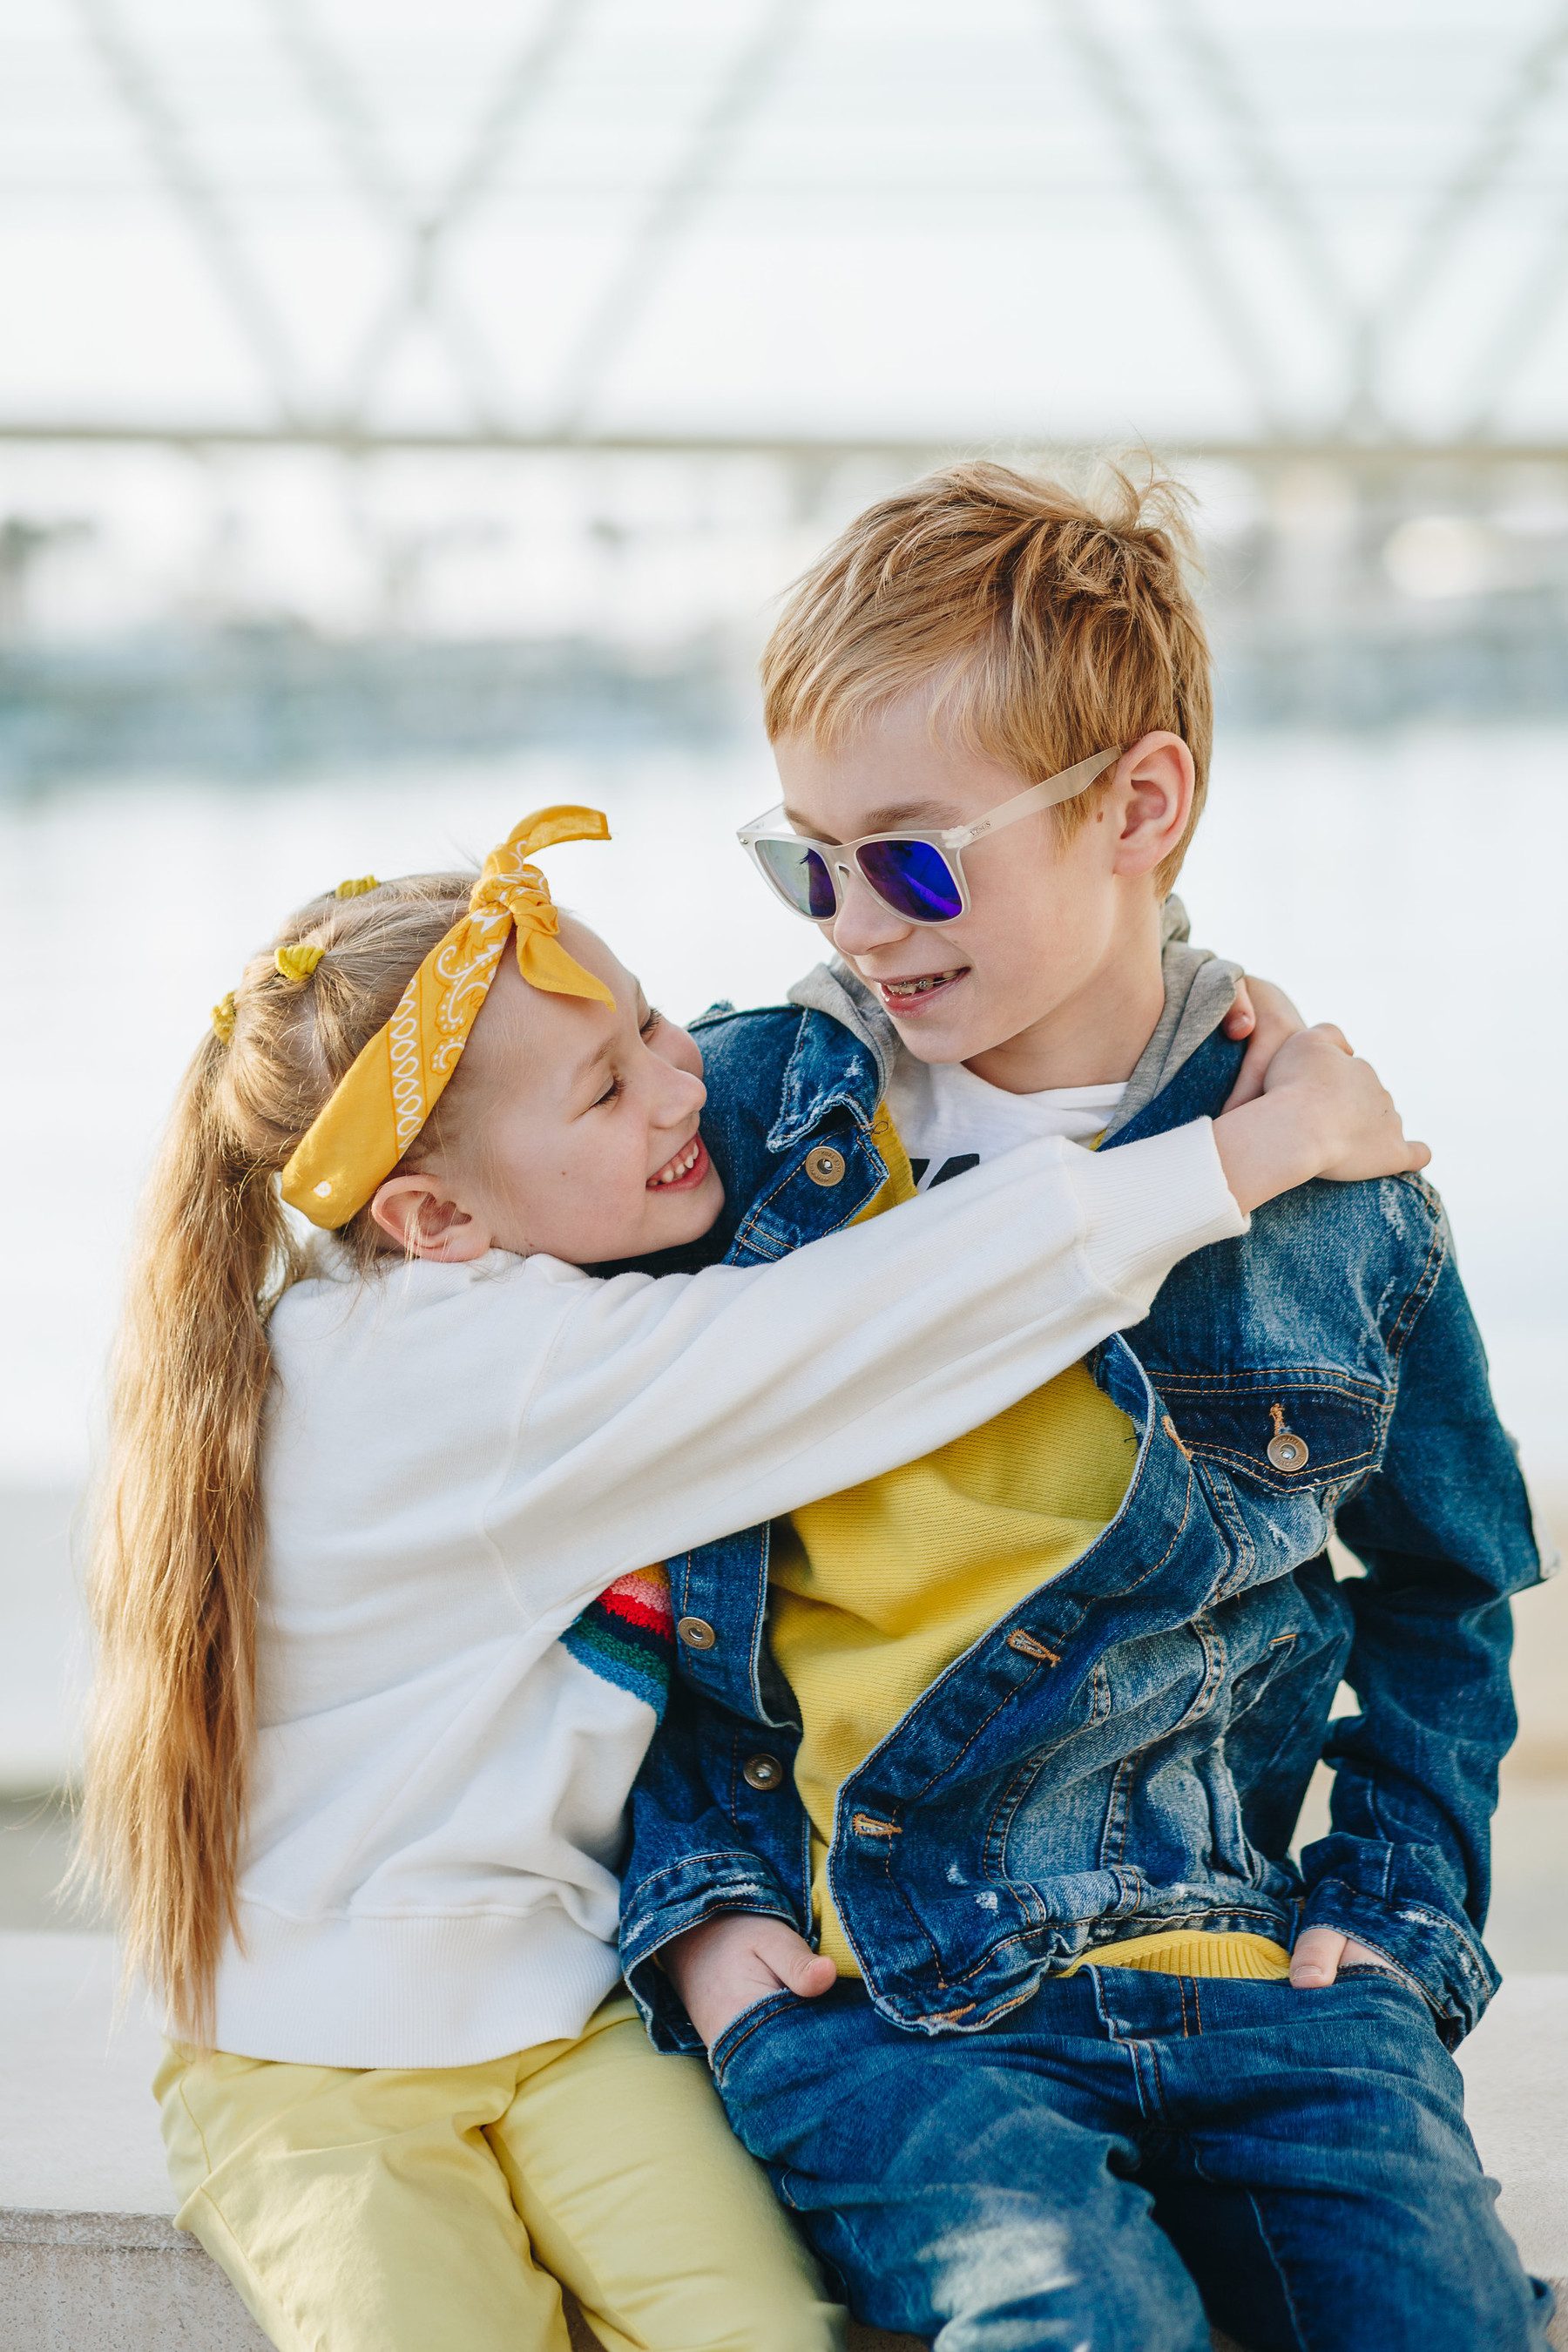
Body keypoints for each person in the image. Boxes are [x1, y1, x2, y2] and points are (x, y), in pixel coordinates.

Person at [78, 807, 1405, 2352]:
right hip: (308, 2063)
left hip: (563, 2016)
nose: (681, 1077)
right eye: (605, 1082)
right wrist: (1256, 1152)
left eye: (648, 1020)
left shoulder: (440, 1306)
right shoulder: (466, 1375)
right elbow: (881, 1321)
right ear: (430, 1219)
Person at [620, 463, 1555, 2352]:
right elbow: (578, 1530)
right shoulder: (740, 1139)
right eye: (808, 860)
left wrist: (1389, 1930)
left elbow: (1446, 1595)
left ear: (1141, 803)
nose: (862, 926)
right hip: (886, 1998)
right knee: (1079, 2324)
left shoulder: (1338, 1191)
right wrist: (703, 1924)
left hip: (1262, 1980)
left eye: (917, 855)